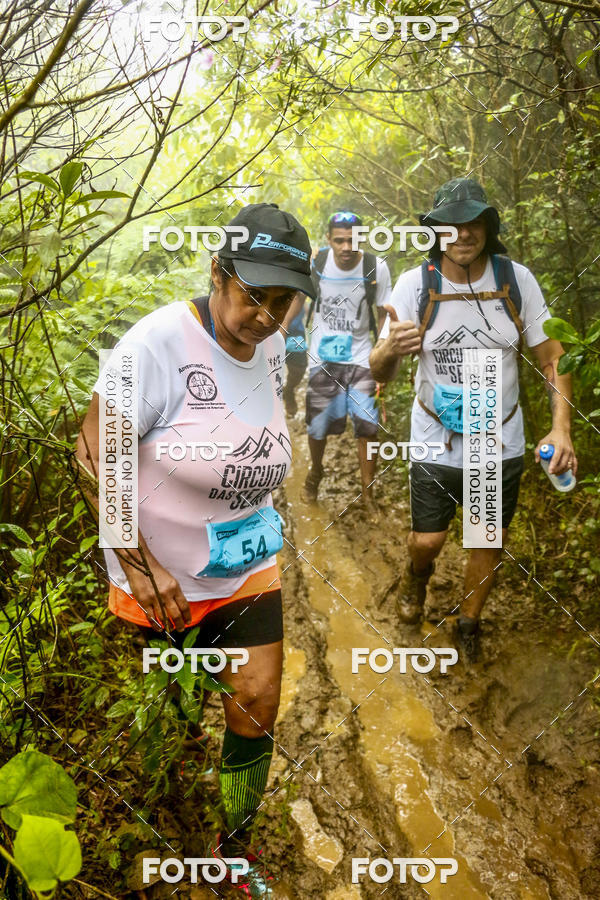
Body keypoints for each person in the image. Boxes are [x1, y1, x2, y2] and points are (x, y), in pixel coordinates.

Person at [75, 202, 316, 896]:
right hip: (164, 575)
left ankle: (234, 849)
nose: (266, 316)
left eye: (282, 302)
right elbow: (92, 457)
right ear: (217, 273)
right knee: (172, 711)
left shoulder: (272, 345)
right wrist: (140, 565)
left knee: (258, 697)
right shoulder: (155, 345)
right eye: (253, 296)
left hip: (247, 561)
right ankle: (165, 806)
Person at [370, 178, 577, 663]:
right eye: (450, 225)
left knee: (486, 537)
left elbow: (553, 358)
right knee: (428, 539)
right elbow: (379, 370)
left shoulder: (515, 281)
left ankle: (468, 621)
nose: (462, 234)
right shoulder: (415, 284)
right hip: (434, 434)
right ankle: (416, 575)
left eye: (473, 223)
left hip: (497, 437)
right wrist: (389, 348)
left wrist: (561, 427)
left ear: (488, 227)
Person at [283, 210, 392, 507]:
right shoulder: (316, 264)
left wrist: (383, 354)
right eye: (340, 241)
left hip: (362, 357)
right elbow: (299, 298)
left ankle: (368, 493)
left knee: (368, 425)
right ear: (329, 240)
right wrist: (281, 329)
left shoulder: (375, 267)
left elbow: (384, 313)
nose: (346, 247)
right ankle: (316, 472)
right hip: (323, 357)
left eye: (353, 240)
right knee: (318, 426)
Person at [281, 293, 307, 416]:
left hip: (295, 332)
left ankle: (289, 390)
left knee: (299, 368)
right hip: (269, 329)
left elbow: (302, 295)